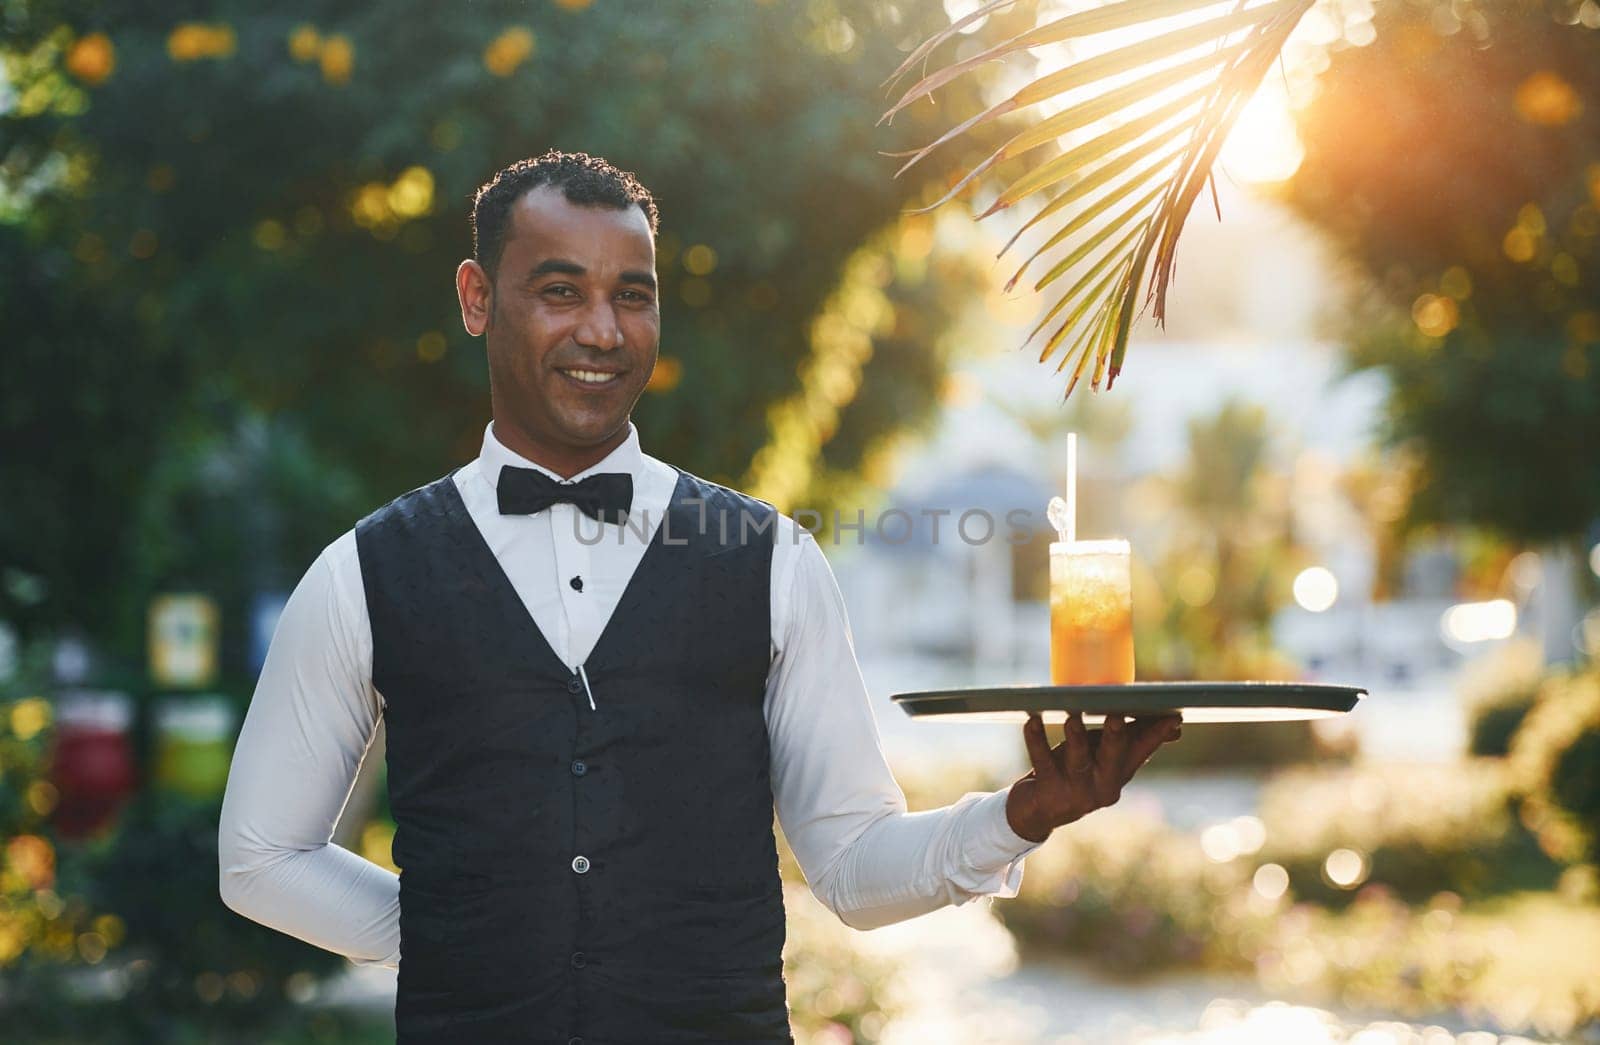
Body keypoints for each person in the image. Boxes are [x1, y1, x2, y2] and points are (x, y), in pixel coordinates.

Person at [217, 149, 1182, 1044]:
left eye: (632, 297)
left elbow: (850, 865)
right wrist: (445, 928)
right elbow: (261, 854)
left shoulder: (773, 560)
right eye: (560, 291)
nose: (602, 330)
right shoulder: (362, 571)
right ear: (477, 298)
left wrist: (1019, 813)